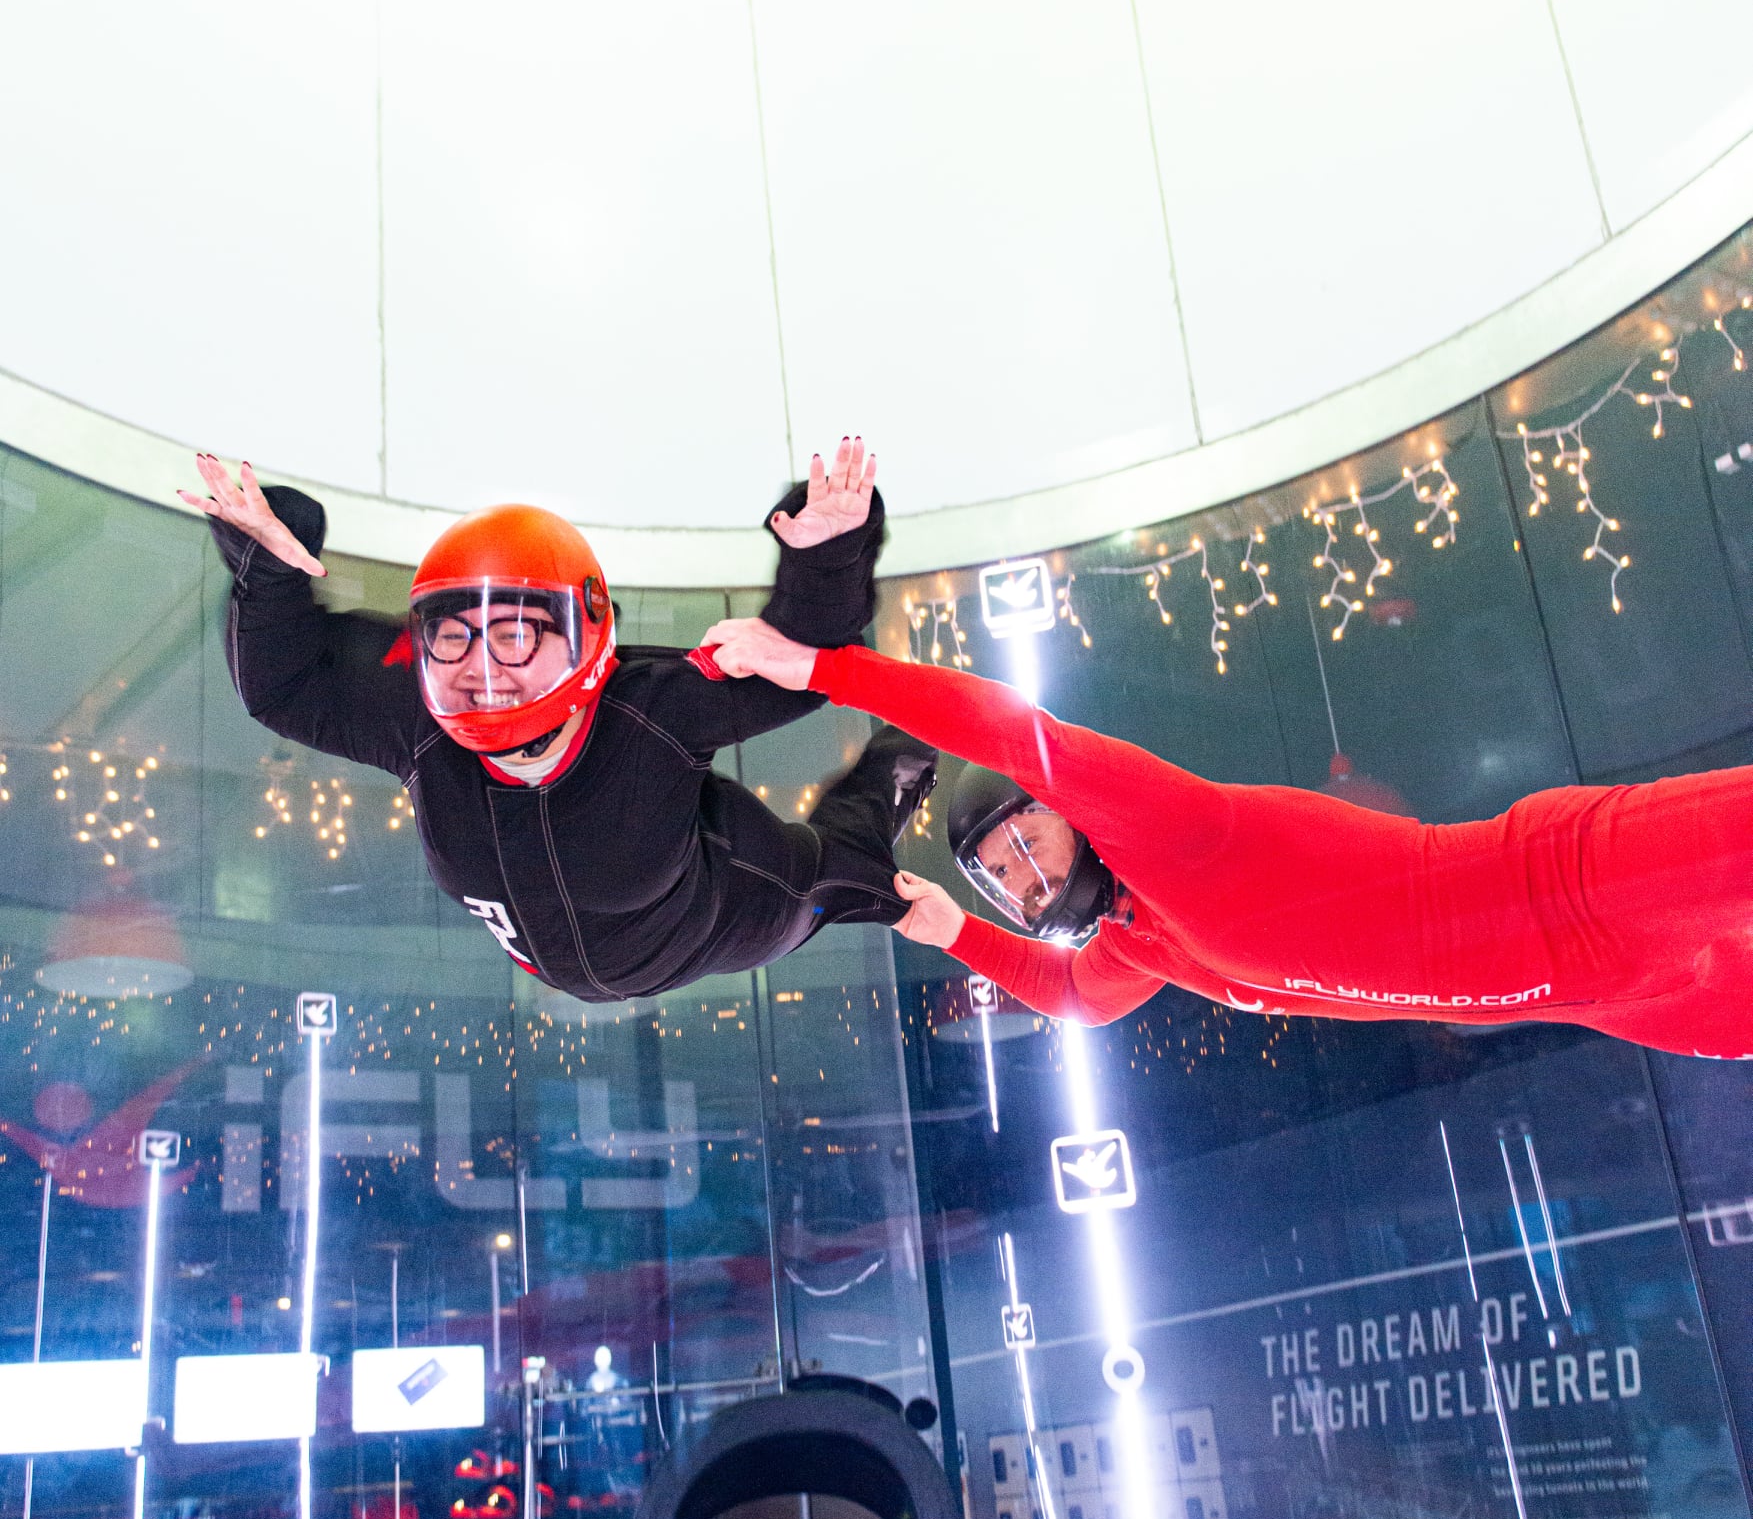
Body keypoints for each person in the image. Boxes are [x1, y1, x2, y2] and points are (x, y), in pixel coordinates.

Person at [697, 615, 1753, 1059]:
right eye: (1000, 876)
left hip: (1574, 882)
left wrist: (822, 669)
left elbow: (1014, 734)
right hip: (1606, 995)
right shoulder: (1140, 944)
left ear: (1071, 819)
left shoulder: (1173, 839)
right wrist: (954, 933)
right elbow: (1071, 999)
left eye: (1028, 837)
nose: (1023, 874)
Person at [178, 445, 935, 1002]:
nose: (481, 665)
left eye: (514, 634)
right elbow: (286, 687)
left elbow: (802, 667)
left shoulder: (652, 708)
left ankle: (922, 746)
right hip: (573, 959)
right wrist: (268, 570)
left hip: (726, 910)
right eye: (452, 633)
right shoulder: (414, 712)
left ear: (588, 633)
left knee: (846, 867)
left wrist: (827, 557)